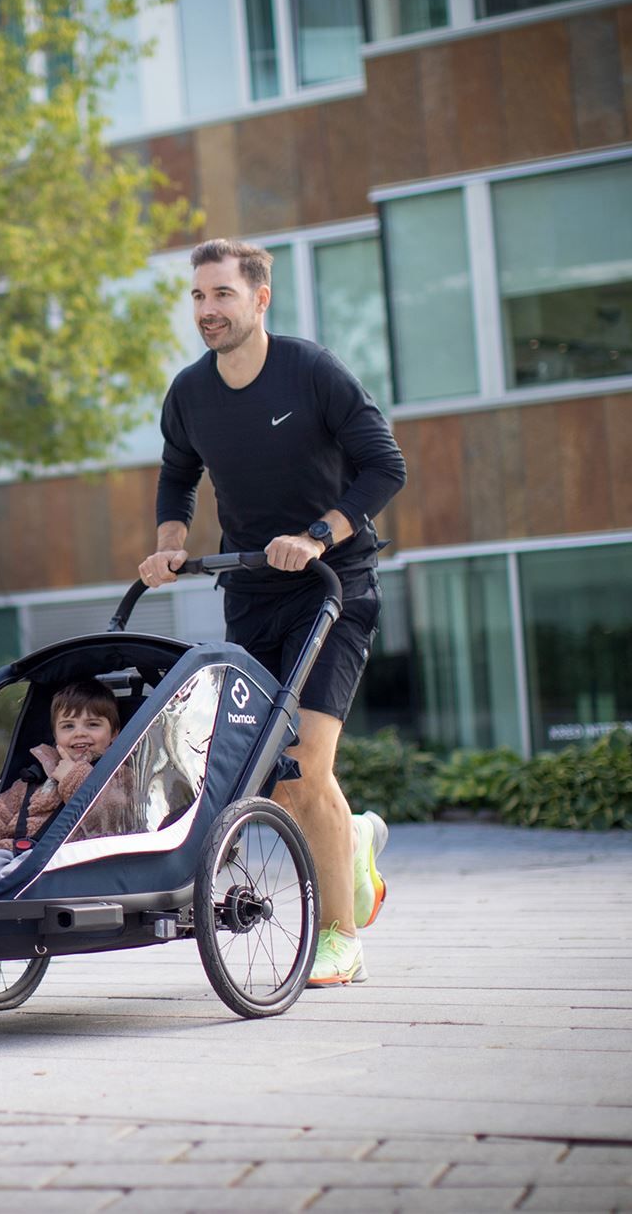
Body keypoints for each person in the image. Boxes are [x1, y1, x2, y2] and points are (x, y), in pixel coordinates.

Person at [138, 237, 407, 987]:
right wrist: (169, 546)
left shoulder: (310, 371)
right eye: (198, 296)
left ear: (260, 299)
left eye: (222, 294)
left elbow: (385, 466)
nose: (207, 309)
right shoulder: (190, 393)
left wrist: (318, 534)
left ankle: (340, 938)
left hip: (333, 587)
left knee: (306, 763)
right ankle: (352, 840)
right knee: (277, 773)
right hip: (252, 593)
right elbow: (178, 473)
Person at [0, 679, 131, 892]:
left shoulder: (118, 774)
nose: (79, 733)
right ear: (55, 735)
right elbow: (0, 811)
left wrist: (72, 777)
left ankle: (5, 889)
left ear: (114, 733)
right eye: (68, 726)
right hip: (13, 850)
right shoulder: (39, 773)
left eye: (92, 724)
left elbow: (113, 812)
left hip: (62, 857)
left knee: (22, 867)